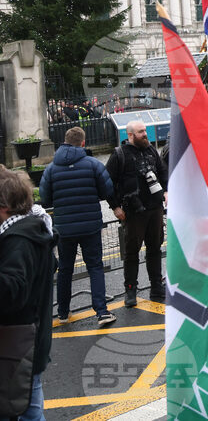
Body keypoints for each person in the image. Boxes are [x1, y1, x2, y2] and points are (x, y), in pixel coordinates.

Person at [39, 126, 117, 326]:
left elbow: (45, 199)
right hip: (90, 225)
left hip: (64, 228)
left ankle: (63, 312)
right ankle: (101, 312)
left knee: (65, 269)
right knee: (95, 267)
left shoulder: (51, 168)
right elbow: (107, 190)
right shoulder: (92, 164)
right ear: (83, 143)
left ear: (63, 142)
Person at [0, 168, 57, 421]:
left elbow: (12, 292)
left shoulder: (18, 240)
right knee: (27, 406)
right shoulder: (31, 230)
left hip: (18, 346)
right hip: (27, 343)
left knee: (26, 409)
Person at [106, 121, 168, 307]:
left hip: (154, 209)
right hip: (132, 213)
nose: (145, 134)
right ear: (130, 134)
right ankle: (130, 290)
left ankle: (156, 287)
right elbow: (107, 183)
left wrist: (166, 191)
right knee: (132, 253)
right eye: (141, 132)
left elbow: (163, 173)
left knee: (155, 249)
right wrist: (115, 207)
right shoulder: (119, 155)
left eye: (145, 131)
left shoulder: (150, 151)